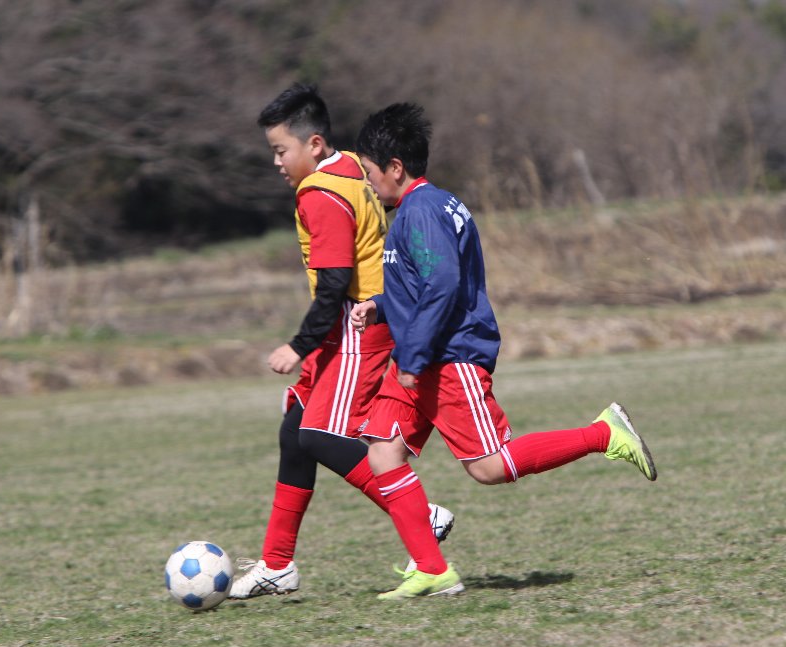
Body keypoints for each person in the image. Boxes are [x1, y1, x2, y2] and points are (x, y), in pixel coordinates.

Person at [350, 102, 657, 601]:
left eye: (369, 172)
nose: (368, 183)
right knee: (383, 450)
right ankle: (432, 569)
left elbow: (444, 284)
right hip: (421, 359)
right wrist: (381, 307)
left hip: (445, 358)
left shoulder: (421, 211)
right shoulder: (431, 205)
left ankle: (603, 434)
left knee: (489, 467)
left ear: (395, 168)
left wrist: (415, 355)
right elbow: (422, 283)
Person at [230, 85, 454, 599]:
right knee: (295, 431)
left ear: (313, 144)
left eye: (281, 150)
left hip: (356, 326)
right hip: (351, 324)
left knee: (317, 435)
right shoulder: (351, 164)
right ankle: (277, 564)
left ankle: (420, 514)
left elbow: (334, 282)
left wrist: (298, 345)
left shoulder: (320, 194)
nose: (276, 162)